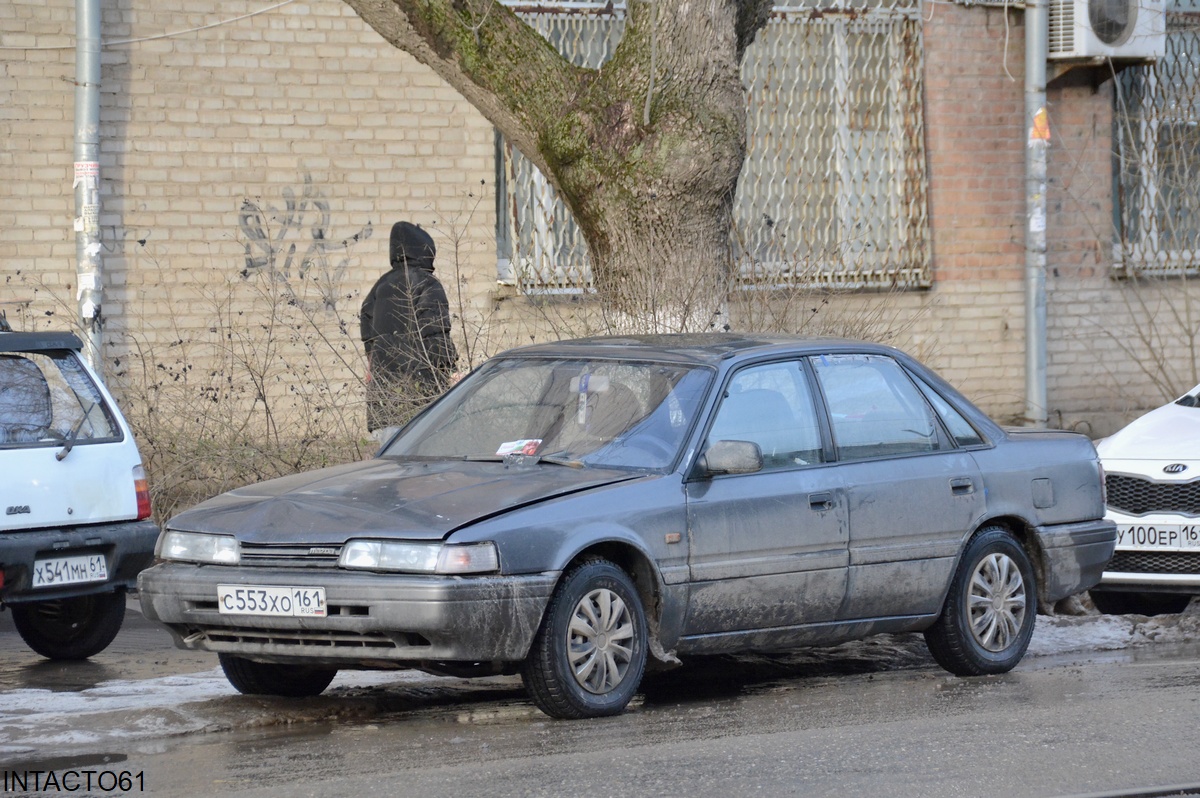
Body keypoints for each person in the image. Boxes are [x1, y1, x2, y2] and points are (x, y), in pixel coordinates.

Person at [361, 221, 457, 443]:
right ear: (426, 251)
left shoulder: (378, 288)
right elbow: (436, 337)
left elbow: (370, 346)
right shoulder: (427, 284)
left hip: (384, 404)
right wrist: (451, 372)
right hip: (421, 403)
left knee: (389, 470)